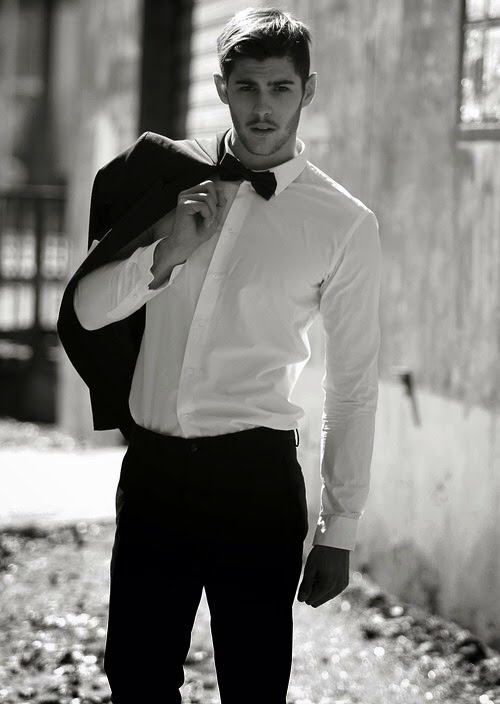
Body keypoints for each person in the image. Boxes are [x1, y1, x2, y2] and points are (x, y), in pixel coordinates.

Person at [58, 7, 381, 703]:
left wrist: (339, 527)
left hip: (256, 483)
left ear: (308, 90)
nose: (263, 108)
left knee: (253, 689)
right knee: (136, 681)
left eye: (281, 88)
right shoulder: (163, 177)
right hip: (155, 476)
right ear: (220, 88)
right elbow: (84, 313)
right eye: (247, 88)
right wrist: (165, 253)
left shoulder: (344, 223)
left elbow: (353, 384)